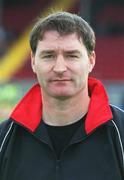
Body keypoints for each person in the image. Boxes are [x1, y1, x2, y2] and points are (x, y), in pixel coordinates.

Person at [0, 11, 124, 180]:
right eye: (48, 56)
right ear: (33, 61)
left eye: (71, 55)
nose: (59, 68)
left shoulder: (121, 133)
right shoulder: (4, 138)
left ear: (91, 60)